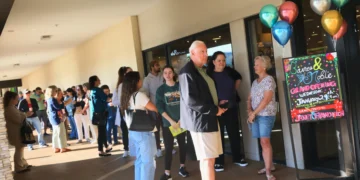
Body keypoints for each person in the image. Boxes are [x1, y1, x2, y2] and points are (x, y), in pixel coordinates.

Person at [179, 41, 226, 180]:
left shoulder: (200, 70)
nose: (206, 55)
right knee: (207, 160)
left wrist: (218, 104)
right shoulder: (187, 72)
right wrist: (214, 109)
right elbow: (191, 100)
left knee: (209, 159)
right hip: (201, 122)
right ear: (192, 53)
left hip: (209, 118)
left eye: (206, 51)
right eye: (202, 52)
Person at [206, 51, 248, 171]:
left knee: (234, 132)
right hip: (217, 109)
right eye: (219, 60)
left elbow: (239, 77)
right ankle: (219, 162)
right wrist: (216, 102)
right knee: (218, 135)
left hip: (231, 106)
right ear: (213, 62)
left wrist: (233, 91)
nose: (222, 62)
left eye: (223, 60)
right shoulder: (209, 75)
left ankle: (237, 158)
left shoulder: (229, 71)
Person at [121, 71, 158, 180]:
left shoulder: (125, 97)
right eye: (140, 79)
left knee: (140, 161)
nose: (141, 81)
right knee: (148, 162)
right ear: (135, 82)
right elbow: (154, 109)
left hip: (133, 132)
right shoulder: (139, 95)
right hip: (144, 132)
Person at [156, 66, 189, 180]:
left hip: (181, 122)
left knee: (182, 146)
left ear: (173, 74)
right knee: (169, 148)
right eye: (165, 73)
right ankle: (167, 173)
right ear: (163, 75)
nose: (168, 75)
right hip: (168, 124)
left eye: (170, 72)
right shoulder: (161, 90)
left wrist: (181, 119)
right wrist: (171, 121)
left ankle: (182, 167)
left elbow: (186, 102)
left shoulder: (180, 86)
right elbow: (160, 108)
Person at [247, 56, 277, 180]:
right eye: (254, 64)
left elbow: (267, 99)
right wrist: (249, 111)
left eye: (257, 64)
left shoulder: (269, 80)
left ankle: (268, 172)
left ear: (264, 66)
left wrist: (254, 113)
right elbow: (249, 98)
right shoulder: (255, 82)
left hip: (266, 115)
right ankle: (269, 165)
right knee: (262, 142)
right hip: (256, 116)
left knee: (265, 142)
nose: (254, 66)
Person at [4, 91, 32, 173]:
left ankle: (23, 164)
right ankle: (19, 167)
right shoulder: (9, 109)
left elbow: (19, 116)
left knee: (21, 149)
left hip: (17, 131)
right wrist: (25, 114)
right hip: (15, 132)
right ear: (11, 99)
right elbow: (18, 120)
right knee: (19, 149)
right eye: (16, 99)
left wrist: (24, 114)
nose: (18, 100)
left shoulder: (12, 107)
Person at [142, 60, 164, 157]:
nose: (158, 66)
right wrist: (149, 108)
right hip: (154, 108)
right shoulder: (147, 79)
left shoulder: (162, 76)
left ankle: (170, 146)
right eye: (156, 65)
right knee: (156, 130)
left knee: (168, 127)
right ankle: (158, 149)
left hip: (165, 106)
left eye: (158, 65)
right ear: (152, 67)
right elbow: (146, 95)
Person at [89, 75, 112, 157]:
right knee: (102, 132)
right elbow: (107, 99)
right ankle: (100, 150)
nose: (100, 80)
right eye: (98, 79)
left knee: (101, 131)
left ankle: (105, 147)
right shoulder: (98, 90)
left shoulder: (91, 91)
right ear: (95, 81)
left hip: (95, 114)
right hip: (101, 113)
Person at [112, 66, 132, 157]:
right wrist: (123, 102)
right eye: (129, 72)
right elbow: (114, 101)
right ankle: (126, 149)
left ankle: (131, 148)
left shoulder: (133, 83)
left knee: (133, 130)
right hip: (123, 110)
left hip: (131, 110)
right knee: (125, 130)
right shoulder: (120, 86)